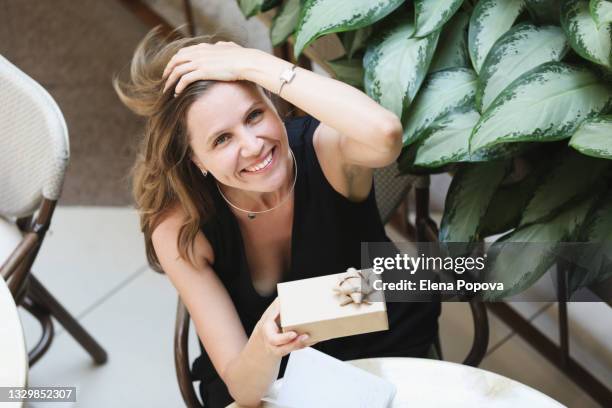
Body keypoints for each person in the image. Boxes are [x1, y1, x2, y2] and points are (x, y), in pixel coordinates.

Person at [114, 28, 440, 408]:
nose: (253, 147)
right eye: (222, 139)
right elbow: (241, 385)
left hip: (382, 332)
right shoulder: (178, 227)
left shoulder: (325, 152)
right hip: (275, 375)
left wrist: (254, 62)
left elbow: (384, 135)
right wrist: (265, 348)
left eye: (254, 115)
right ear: (196, 161)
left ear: (272, 101)